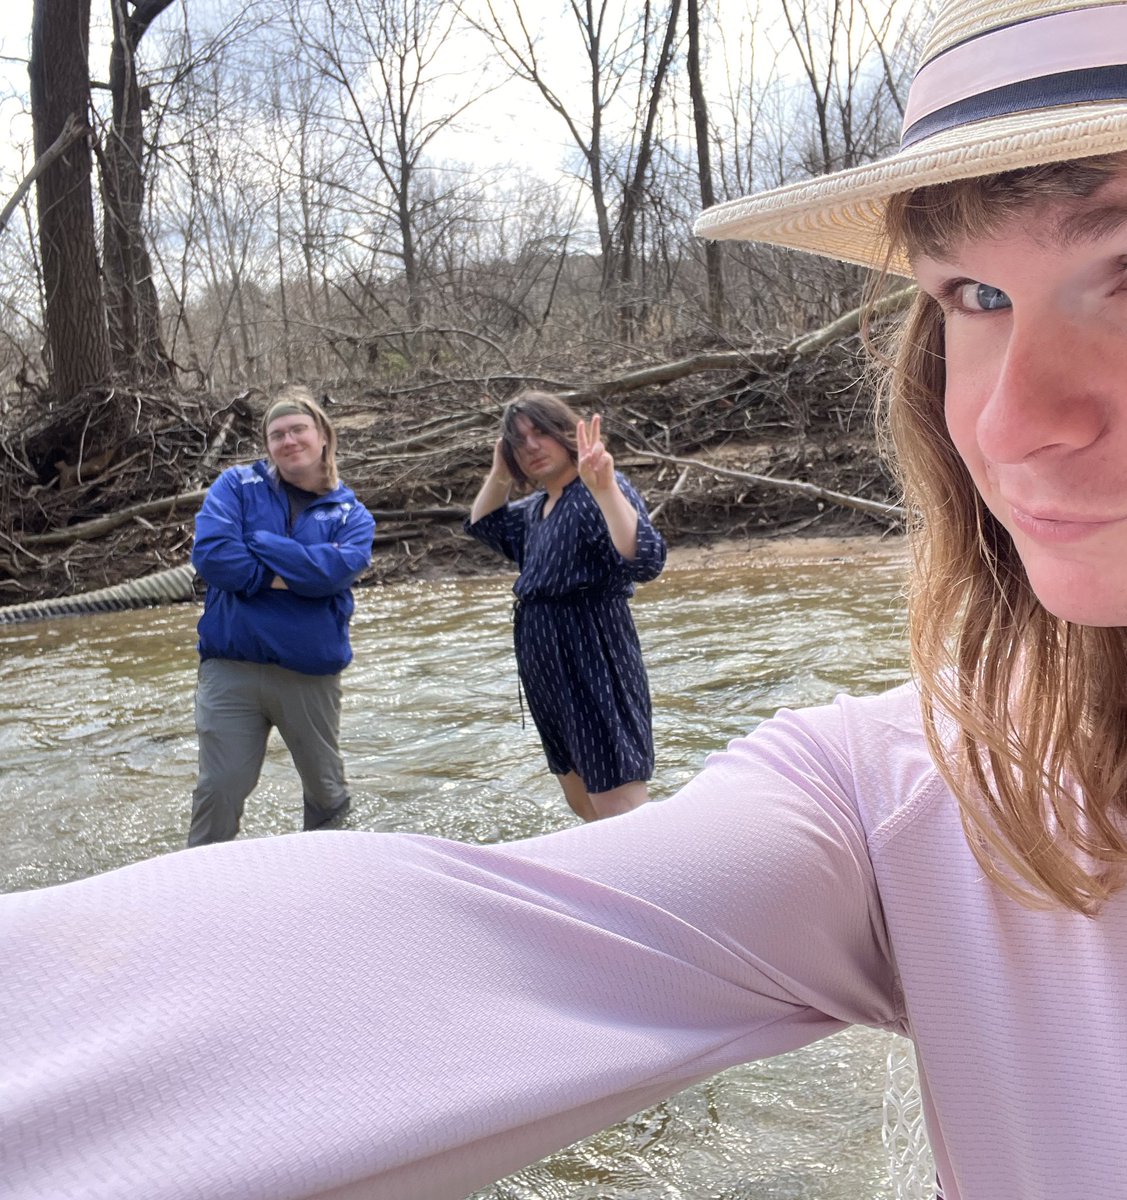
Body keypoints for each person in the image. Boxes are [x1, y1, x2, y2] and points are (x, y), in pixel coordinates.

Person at [4, 1, 1127, 1196]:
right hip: (535, 660)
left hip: (590, 655)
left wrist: (594, 478)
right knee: (580, 814)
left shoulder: (591, 501)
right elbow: (467, 903)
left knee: (587, 797)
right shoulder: (914, 791)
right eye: (973, 294)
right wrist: (511, 475)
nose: (1007, 424)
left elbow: (642, 561)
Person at [186, 385, 375, 845]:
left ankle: (327, 874)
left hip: (308, 673)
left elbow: (332, 573)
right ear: (267, 444)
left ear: (323, 435)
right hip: (231, 667)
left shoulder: (353, 515)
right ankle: (200, 878)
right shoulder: (236, 486)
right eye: (277, 434)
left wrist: (261, 544)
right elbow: (213, 556)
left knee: (326, 791)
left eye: (298, 429)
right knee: (219, 787)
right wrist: (290, 576)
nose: (288, 441)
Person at [465, 392, 667, 820]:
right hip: (547, 668)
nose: (531, 446)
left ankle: (658, 863)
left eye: (540, 432)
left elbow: (646, 560)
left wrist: (606, 489)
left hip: (594, 656)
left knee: (618, 803)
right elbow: (483, 524)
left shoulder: (596, 489)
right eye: (518, 441)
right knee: (581, 803)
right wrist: (500, 472)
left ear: (565, 432)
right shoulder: (537, 508)